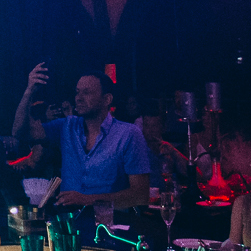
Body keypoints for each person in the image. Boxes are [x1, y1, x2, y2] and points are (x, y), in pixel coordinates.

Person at [12, 64, 152, 221]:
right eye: (77, 92)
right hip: (69, 221)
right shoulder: (67, 126)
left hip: (109, 225)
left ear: (107, 99)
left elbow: (140, 195)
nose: (78, 98)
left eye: (86, 92)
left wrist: (86, 200)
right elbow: (20, 132)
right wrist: (29, 91)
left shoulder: (129, 134)